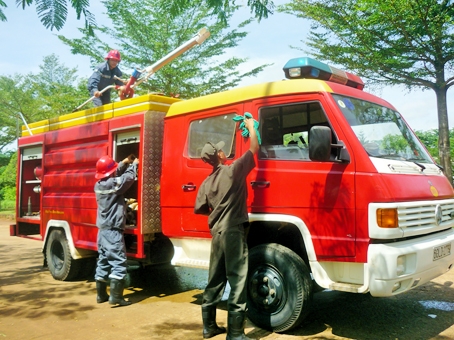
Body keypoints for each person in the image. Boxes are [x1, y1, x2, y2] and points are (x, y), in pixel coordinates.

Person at [194, 117, 259, 340]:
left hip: (217, 234)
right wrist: (252, 128)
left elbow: (201, 208)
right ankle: (235, 334)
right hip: (233, 231)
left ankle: (209, 327)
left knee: (215, 279)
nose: (224, 152)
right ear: (219, 155)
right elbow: (254, 148)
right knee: (238, 280)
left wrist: (218, 211)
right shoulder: (233, 172)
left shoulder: (206, 182)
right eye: (221, 151)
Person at [94, 154, 139, 306]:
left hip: (102, 230)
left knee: (104, 261)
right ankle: (116, 298)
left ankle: (101, 295)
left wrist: (123, 162)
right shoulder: (112, 184)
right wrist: (134, 165)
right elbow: (127, 179)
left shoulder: (99, 184)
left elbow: (114, 176)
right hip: (113, 231)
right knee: (119, 263)